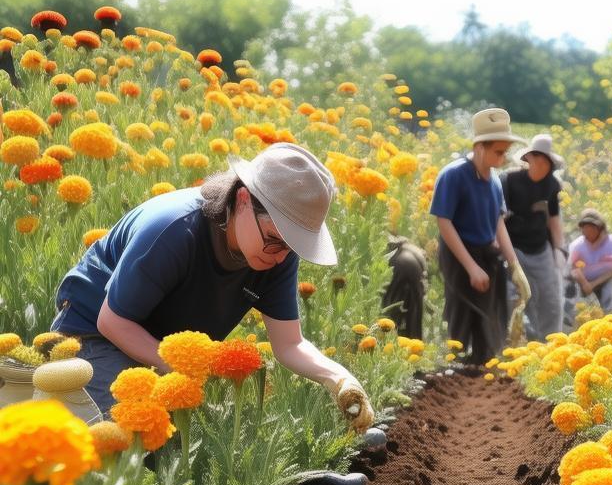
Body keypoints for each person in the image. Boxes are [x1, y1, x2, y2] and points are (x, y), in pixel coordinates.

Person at [50, 143, 374, 430]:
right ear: (244, 199)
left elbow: (289, 344)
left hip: (165, 350)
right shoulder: (174, 231)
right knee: (132, 434)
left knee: (213, 440)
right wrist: (188, 374)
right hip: (95, 335)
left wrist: (340, 379)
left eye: (293, 246)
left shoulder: (275, 252)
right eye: (276, 240)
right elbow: (113, 321)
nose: (282, 258)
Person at [429, 107, 531, 365]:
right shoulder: (453, 175)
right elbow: (444, 222)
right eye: (498, 151)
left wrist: (515, 266)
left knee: (490, 320)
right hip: (458, 254)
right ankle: (455, 374)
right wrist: (471, 268)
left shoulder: (495, 181)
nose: (503, 157)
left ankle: (485, 374)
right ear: (479, 148)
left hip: (487, 253)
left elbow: (499, 224)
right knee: (461, 317)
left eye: (505, 151)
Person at [501, 133, 566, 341]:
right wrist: (501, 251)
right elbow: (498, 219)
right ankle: (515, 343)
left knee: (552, 301)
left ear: (549, 163)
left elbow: (554, 220)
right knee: (517, 297)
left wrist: (559, 250)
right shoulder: (509, 181)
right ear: (528, 159)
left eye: (544, 159)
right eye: (535, 157)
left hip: (541, 249)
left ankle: (550, 344)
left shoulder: (552, 185)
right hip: (513, 248)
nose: (539, 163)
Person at [563, 208, 612, 326]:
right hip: (581, 281)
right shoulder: (577, 245)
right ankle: (575, 324)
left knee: (608, 295)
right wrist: (585, 283)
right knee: (573, 299)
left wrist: (593, 284)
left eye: (591, 226)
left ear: (600, 227)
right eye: (584, 227)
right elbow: (573, 268)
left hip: (604, 279)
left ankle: (609, 323)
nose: (587, 230)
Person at [382, 233, 427, 340]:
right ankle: (414, 347)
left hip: (401, 261)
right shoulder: (404, 243)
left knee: (390, 314)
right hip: (415, 259)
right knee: (414, 318)